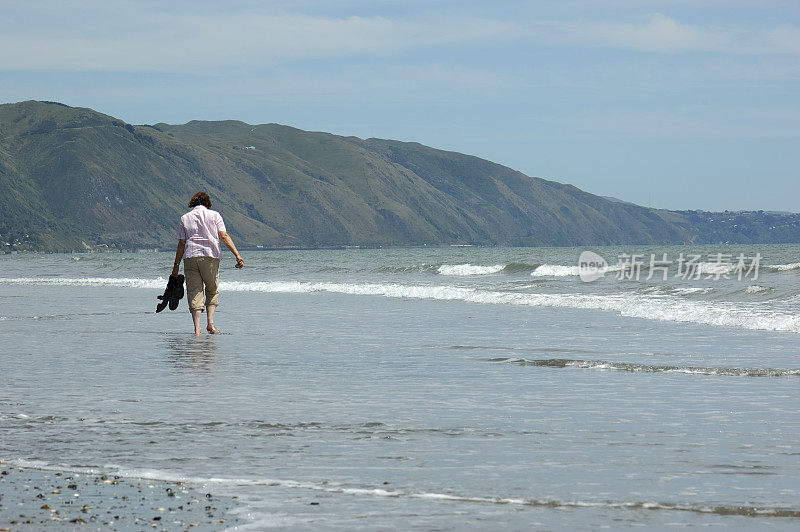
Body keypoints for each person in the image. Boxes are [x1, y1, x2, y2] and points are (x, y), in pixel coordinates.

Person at [171, 192, 244, 335]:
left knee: (194, 292)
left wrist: (176, 266)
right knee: (212, 289)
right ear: (207, 203)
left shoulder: (185, 218)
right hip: (210, 257)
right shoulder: (215, 215)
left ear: (193, 202)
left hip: (190, 257)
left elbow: (181, 243)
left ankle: (197, 328)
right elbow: (223, 236)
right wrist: (237, 255)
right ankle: (210, 324)